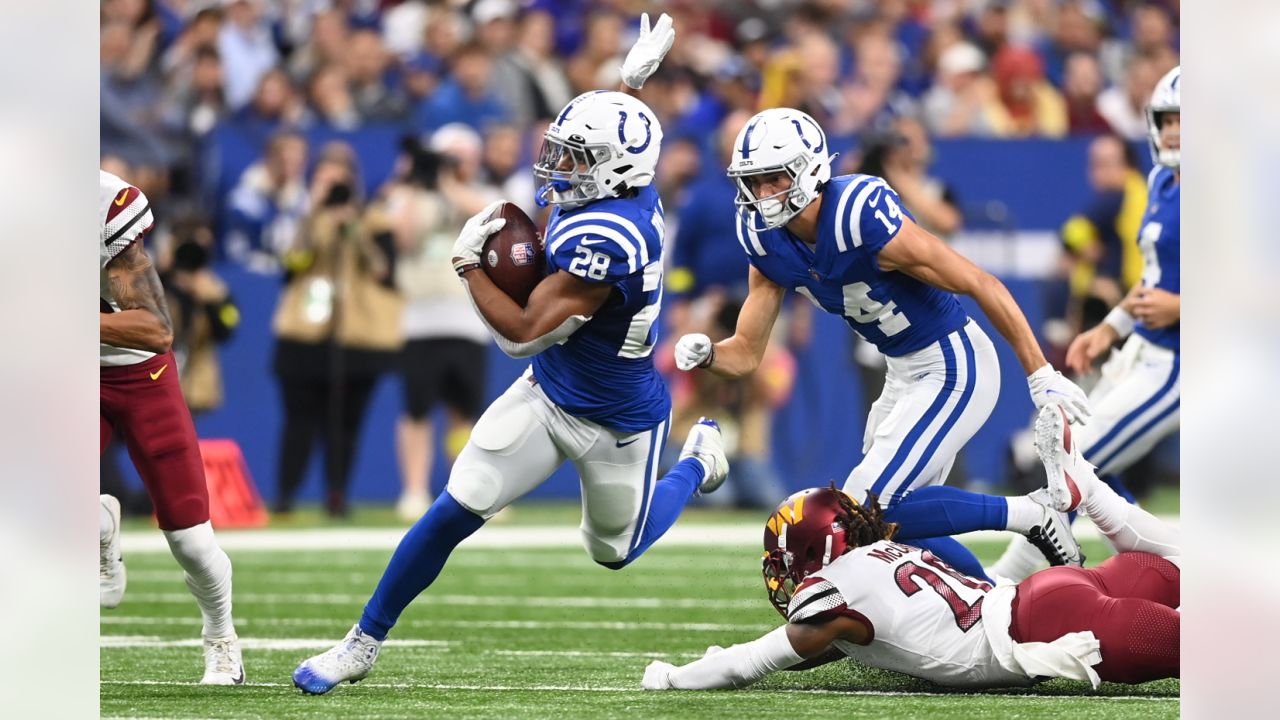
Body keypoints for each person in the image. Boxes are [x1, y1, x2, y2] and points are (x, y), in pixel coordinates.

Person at [292, 14, 730, 695]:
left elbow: (522, 330)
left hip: (619, 417)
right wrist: (629, 82)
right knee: (457, 505)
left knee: (613, 549)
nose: (559, 166)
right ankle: (360, 643)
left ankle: (698, 459)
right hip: (552, 393)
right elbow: (617, 138)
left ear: (611, 173)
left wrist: (470, 266)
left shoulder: (613, 234)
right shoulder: (620, 182)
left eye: (575, 159)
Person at [673, 106, 1090, 579]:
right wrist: (708, 354)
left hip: (953, 363)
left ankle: (1031, 515)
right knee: (890, 523)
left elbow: (980, 282)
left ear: (810, 171)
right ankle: (990, 596)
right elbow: (746, 353)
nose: (763, 194)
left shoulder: (858, 215)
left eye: (775, 179)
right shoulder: (764, 239)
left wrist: (1040, 376)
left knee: (864, 507)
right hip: (902, 371)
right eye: (754, 182)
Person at [641, 403, 1179, 691]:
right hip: (1052, 593)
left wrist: (672, 677)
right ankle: (1091, 492)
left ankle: (1080, 490)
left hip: (1047, 622)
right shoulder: (879, 559)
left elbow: (753, 663)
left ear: (815, 555)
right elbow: (813, 648)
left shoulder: (835, 603)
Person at [991, 66, 1180, 582]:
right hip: (1144, 349)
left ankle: (1002, 585)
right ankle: (1166, 574)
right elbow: (1154, 282)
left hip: (1184, 362)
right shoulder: (1164, 182)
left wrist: (1183, 308)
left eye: (1186, 123)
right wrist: (1110, 328)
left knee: (1074, 458)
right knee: (1097, 468)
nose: (1173, 134)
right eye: (1167, 122)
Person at [99, 170, 244, 685]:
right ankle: (96, 528)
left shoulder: (101, 207)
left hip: (141, 373)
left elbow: (157, 330)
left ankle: (221, 635)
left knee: (191, 540)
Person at [270, 145, 403, 517]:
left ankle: (337, 494)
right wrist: (313, 217)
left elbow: (384, 272)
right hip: (304, 333)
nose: (332, 191)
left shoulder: (374, 220)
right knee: (299, 421)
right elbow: (291, 266)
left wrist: (354, 228)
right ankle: (285, 495)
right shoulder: (302, 219)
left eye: (339, 182)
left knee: (346, 423)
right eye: (324, 181)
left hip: (357, 336)